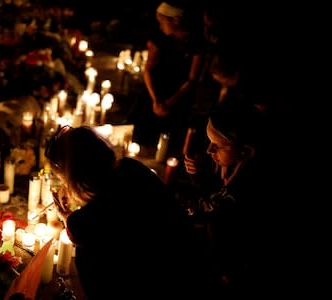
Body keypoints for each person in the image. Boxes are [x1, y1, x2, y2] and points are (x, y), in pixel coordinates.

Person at [45, 125, 201, 299]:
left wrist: (67, 217)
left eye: (65, 179)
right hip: (191, 263)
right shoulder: (131, 167)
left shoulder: (91, 220)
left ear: (77, 176)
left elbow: (85, 230)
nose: (65, 185)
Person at [183, 102, 272, 296]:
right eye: (209, 141)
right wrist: (200, 174)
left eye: (218, 146)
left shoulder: (249, 184)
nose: (209, 150)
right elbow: (215, 192)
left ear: (246, 151)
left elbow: (209, 207)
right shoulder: (231, 161)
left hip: (236, 263)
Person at [141, 0, 204, 153]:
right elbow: (148, 70)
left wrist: (170, 103)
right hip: (155, 93)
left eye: (162, 21)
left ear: (175, 21)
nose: (160, 25)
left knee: (170, 143)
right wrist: (156, 100)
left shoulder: (196, 42)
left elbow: (192, 79)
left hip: (179, 97)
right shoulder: (159, 38)